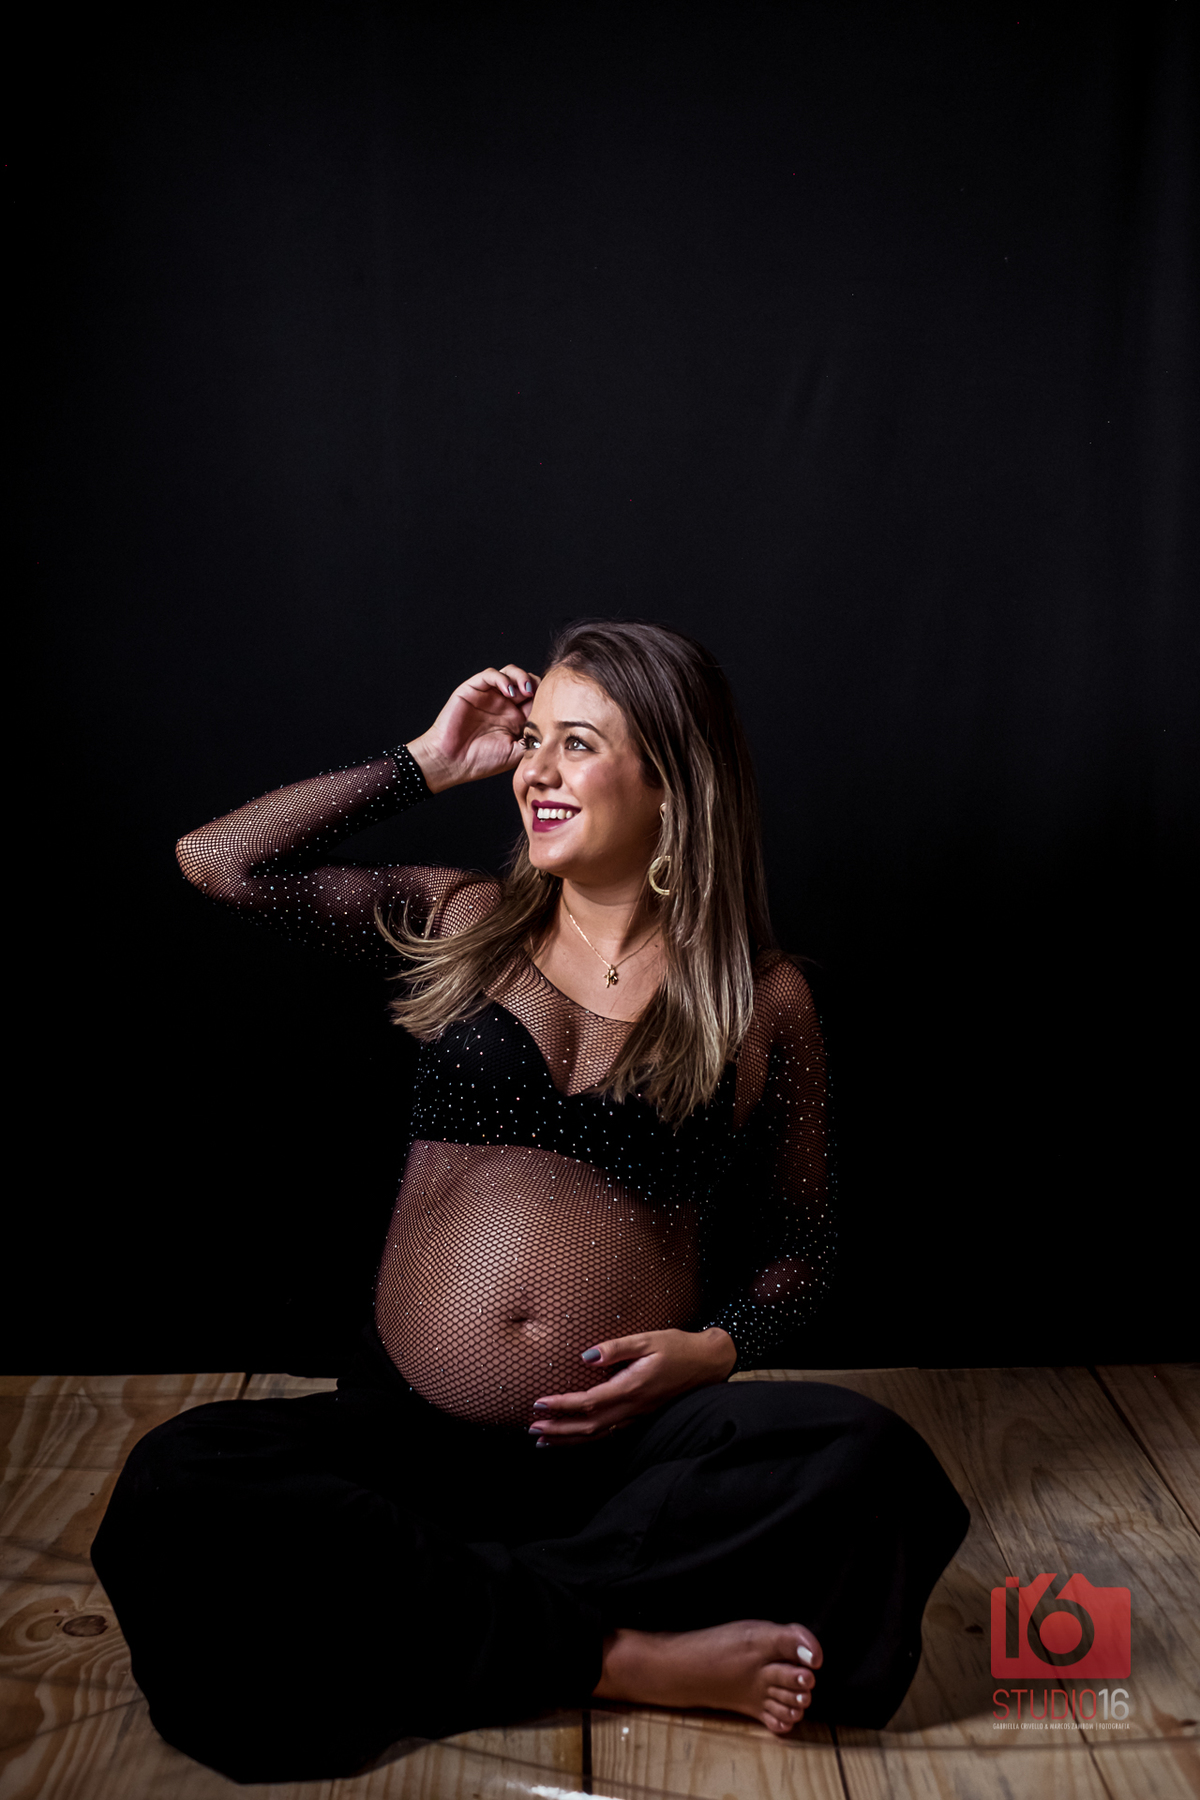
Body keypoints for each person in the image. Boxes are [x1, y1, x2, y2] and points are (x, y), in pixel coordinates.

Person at [91, 620, 968, 1783]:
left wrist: (714, 1351)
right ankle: (620, 1655)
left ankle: (430, 1605)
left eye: (577, 745)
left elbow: (803, 1250)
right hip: (408, 1442)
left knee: (872, 1466)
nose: (534, 771)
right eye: (531, 741)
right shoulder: (462, 919)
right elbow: (218, 863)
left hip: (617, 1464)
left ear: (673, 781)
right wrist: (424, 760)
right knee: (180, 1483)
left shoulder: (763, 1002)